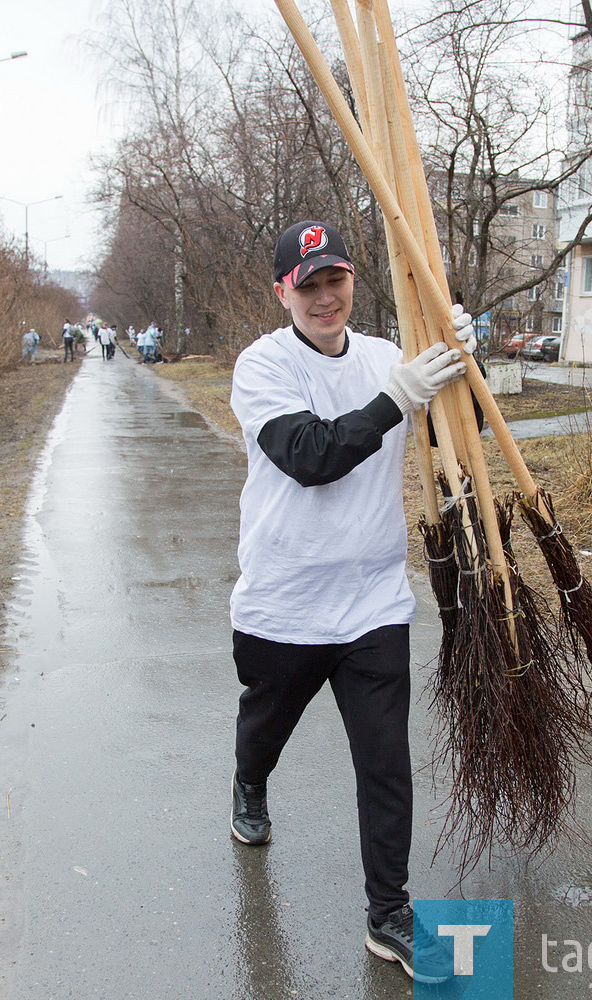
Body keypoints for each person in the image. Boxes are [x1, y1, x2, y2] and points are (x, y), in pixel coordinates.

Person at [228, 220, 476, 982]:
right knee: (266, 725)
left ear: (351, 282)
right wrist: (396, 395)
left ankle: (388, 913)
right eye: (308, 285)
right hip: (283, 601)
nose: (324, 296)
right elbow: (312, 457)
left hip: (372, 602)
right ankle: (249, 781)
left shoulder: (384, 356)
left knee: (385, 761)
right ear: (283, 293)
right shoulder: (260, 365)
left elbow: (446, 423)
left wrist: (463, 359)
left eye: (334, 280)